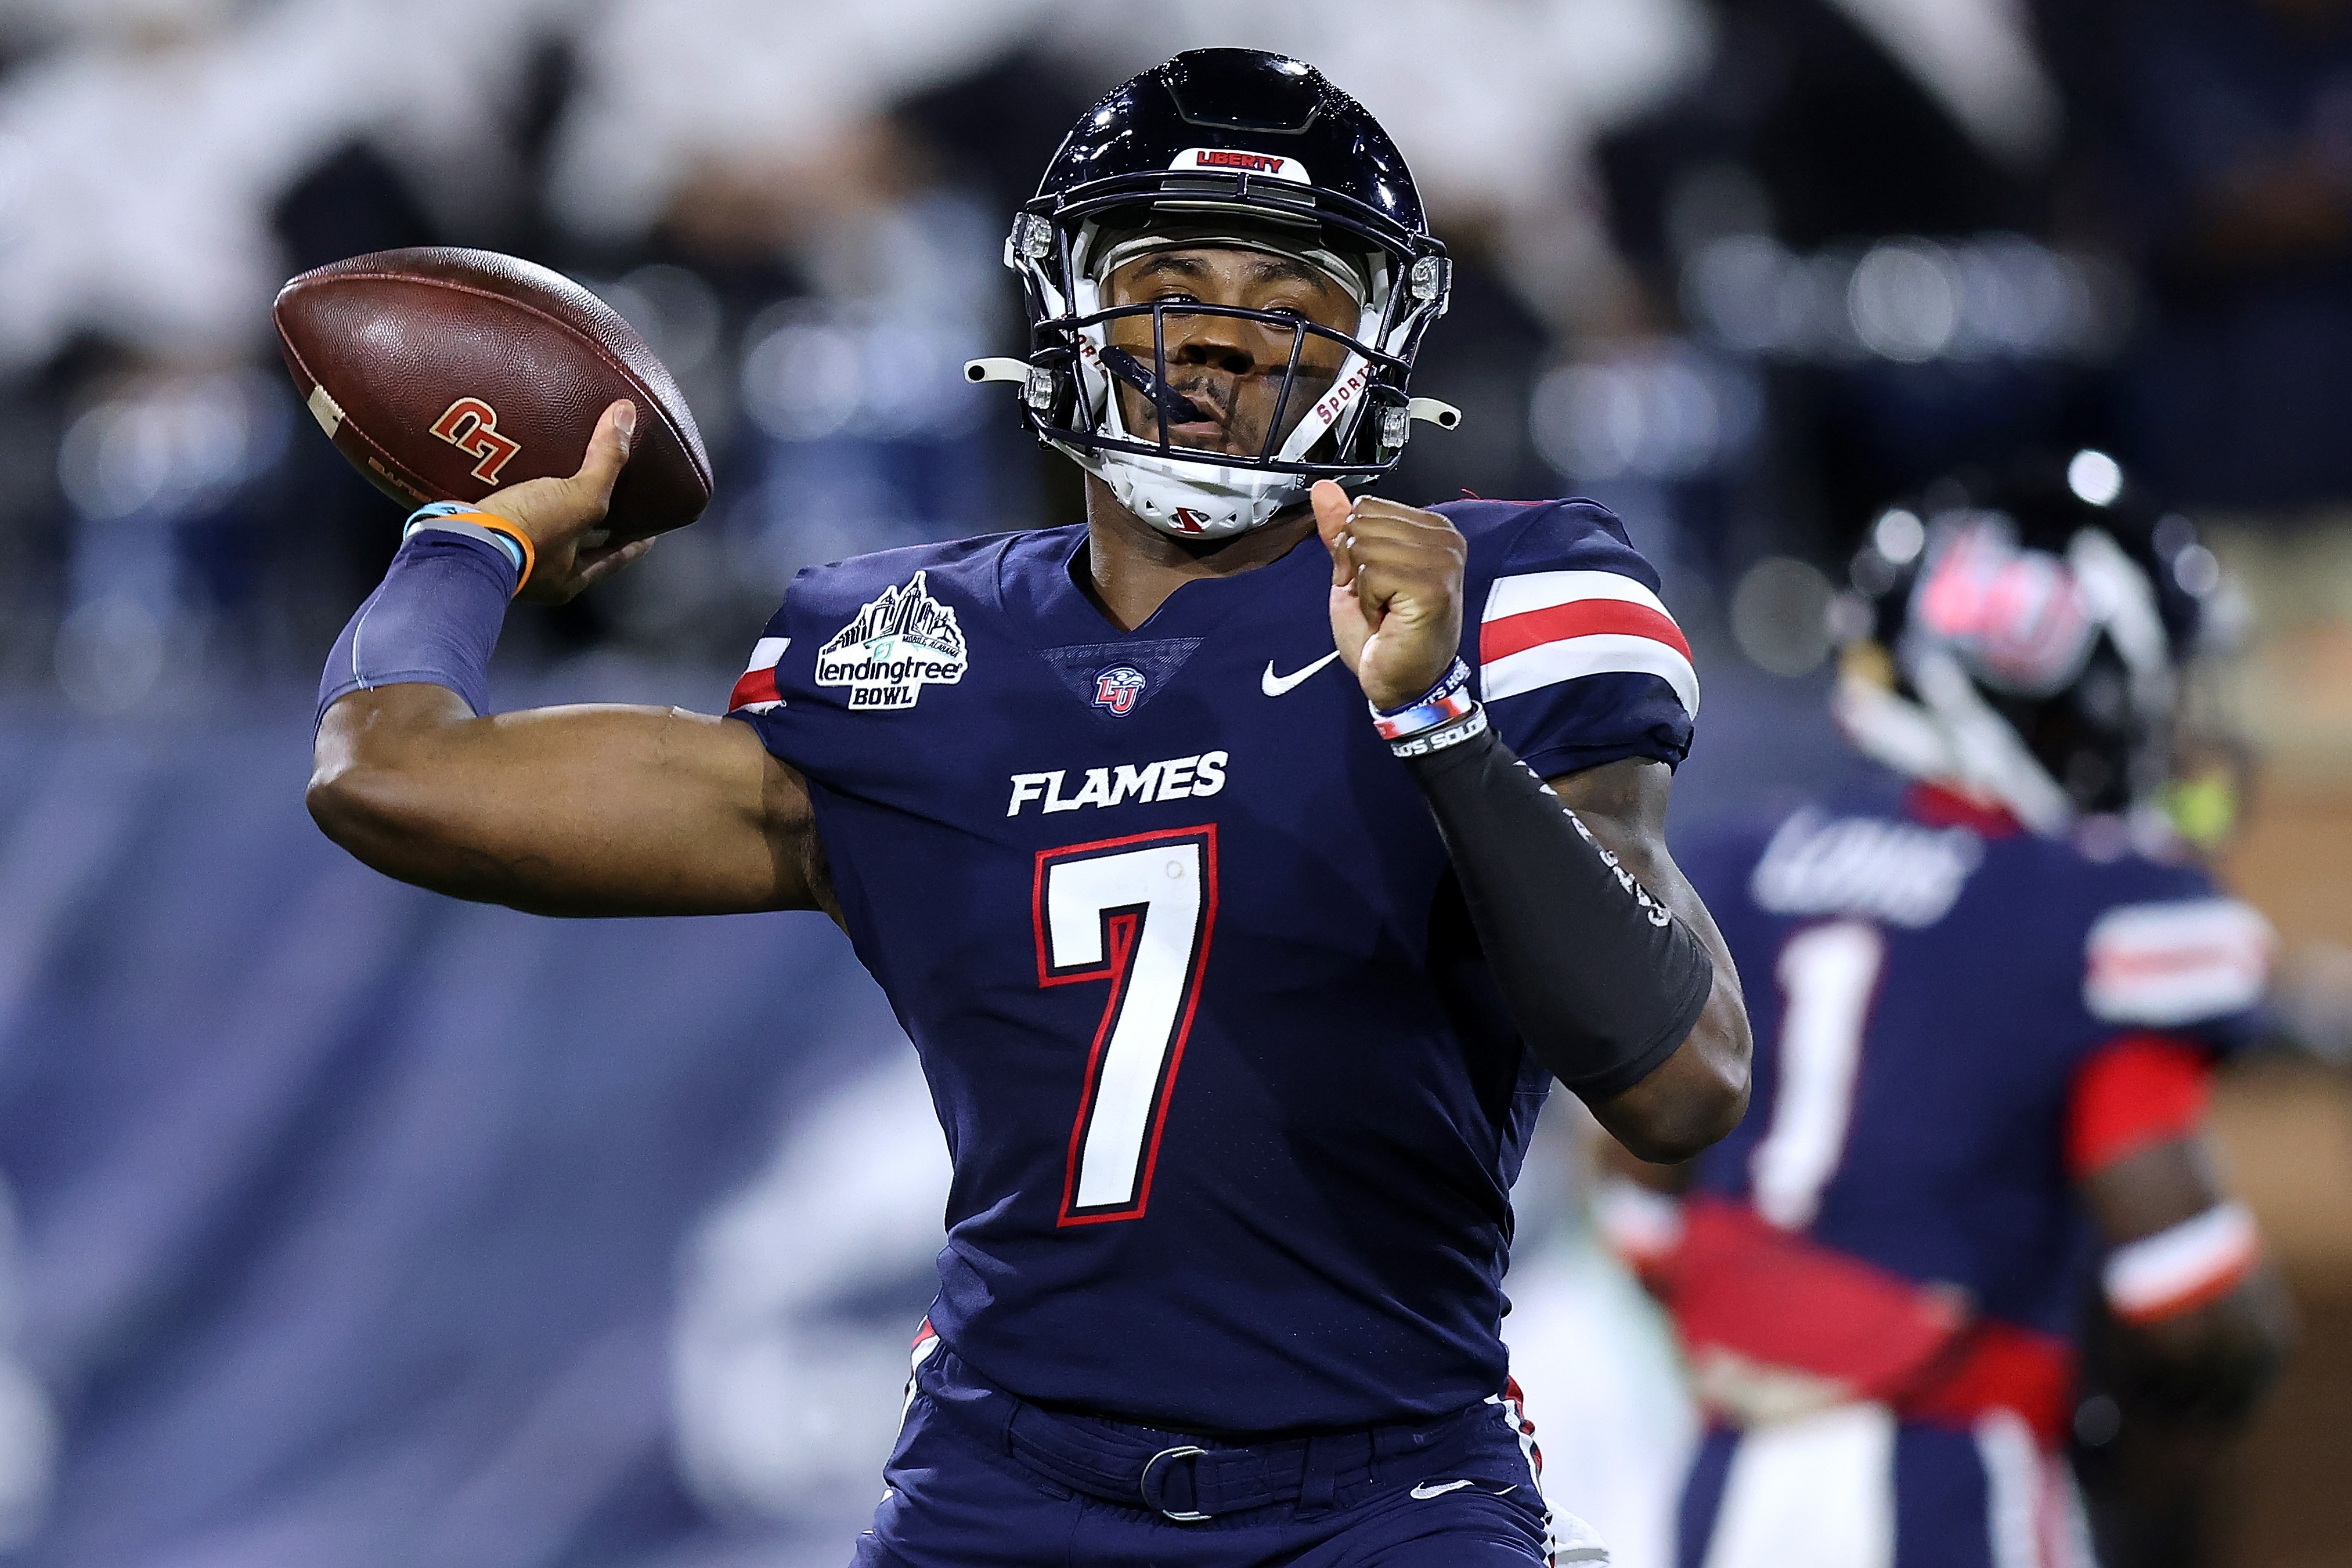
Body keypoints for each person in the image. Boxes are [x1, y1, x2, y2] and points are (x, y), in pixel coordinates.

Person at [306, 49, 1751, 1566]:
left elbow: (1679, 1083)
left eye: (1289, 296)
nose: (1218, 332)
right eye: (1166, 281)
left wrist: (1435, 718)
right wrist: (465, 544)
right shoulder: (906, 653)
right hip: (1002, 1489)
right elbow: (390, 773)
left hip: (1384, 1499)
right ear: (1064, 303)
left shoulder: (1504, 591)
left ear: (1376, 339)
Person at [1593, 453, 2292, 1568]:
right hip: (1948, 1476)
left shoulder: (1739, 862)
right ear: (2042, 685)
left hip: (1729, 1470)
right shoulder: (2095, 904)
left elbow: (1638, 1206)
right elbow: (2194, 1309)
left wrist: (1792, 1320)